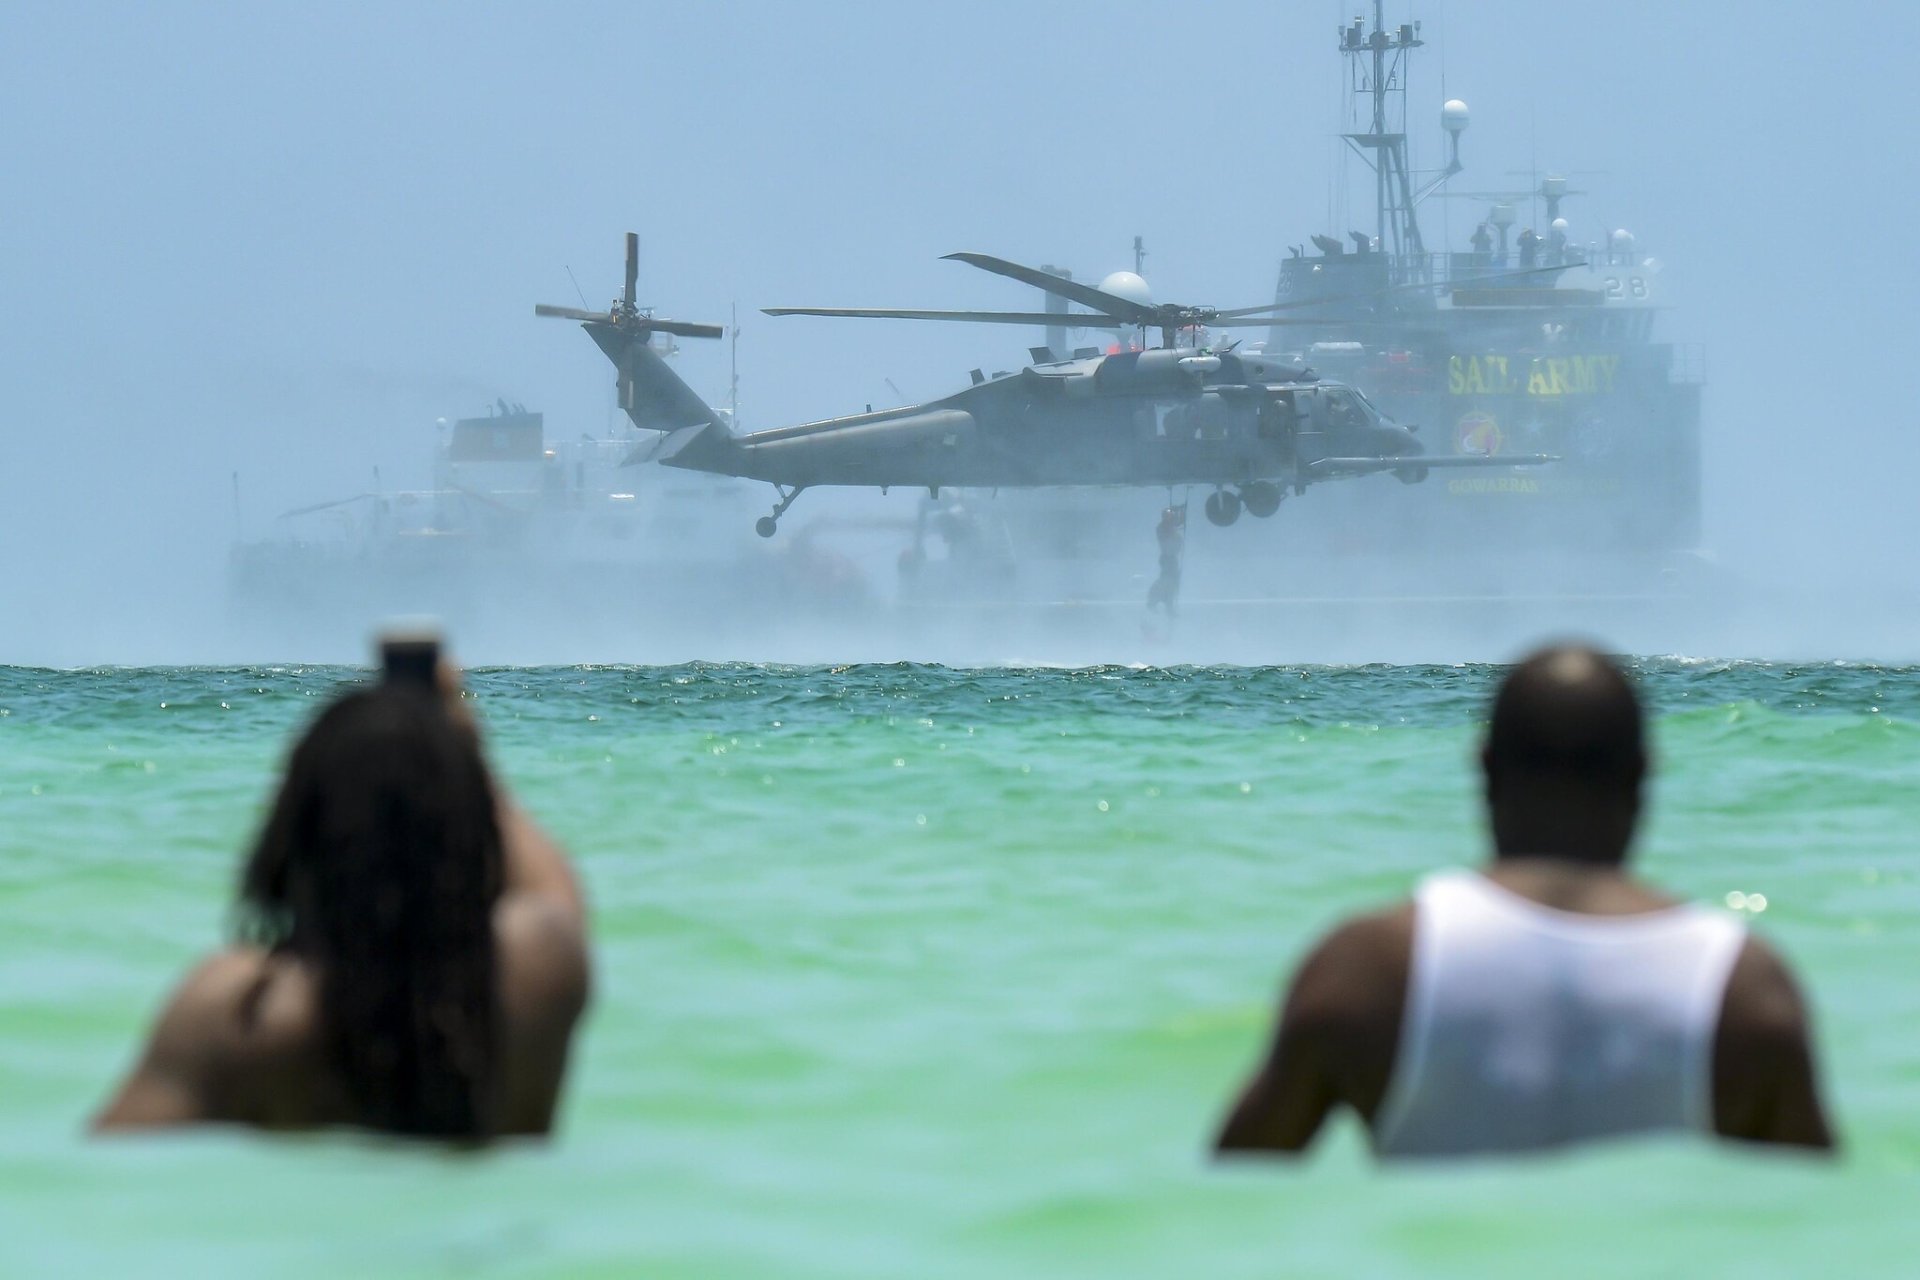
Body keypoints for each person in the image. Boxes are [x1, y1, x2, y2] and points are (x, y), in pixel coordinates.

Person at [1214, 645, 1835, 1159]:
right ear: (1642, 775)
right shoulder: (1746, 992)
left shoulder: (1370, 967)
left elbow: (1227, 1200)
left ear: (1485, 770)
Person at [94, 662, 590, 1141]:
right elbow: (551, 894)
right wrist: (459, 747)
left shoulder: (243, 1014)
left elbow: (103, 1175)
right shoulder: (532, 980)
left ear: (294, 833)